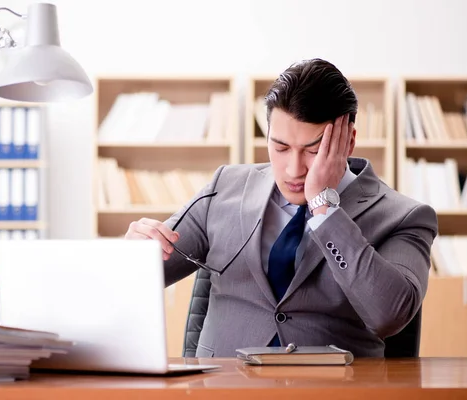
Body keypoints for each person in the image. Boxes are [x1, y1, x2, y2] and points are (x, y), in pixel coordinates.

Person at [124, 58, 438, 358]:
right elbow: (142, 275)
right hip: (222, 386)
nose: (293, 169)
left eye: (313, 150)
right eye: (280, 147)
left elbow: (390, 315)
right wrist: (134, 252)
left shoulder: (404, 217)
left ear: (349, 141)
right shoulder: (226, 186)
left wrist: (324, 208)